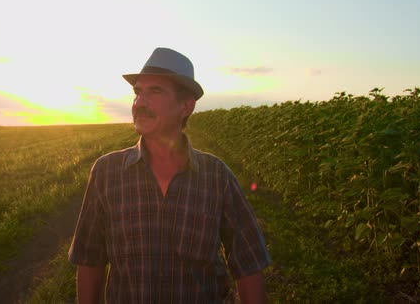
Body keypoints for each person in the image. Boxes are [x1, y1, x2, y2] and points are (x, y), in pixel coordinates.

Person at [68, 47, 271, 303]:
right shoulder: (107, 173)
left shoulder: (216, 177)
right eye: (138, 92)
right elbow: (89, 261)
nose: (140, 102)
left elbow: (248, 264)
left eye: (156, 91)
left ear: (186, 106)